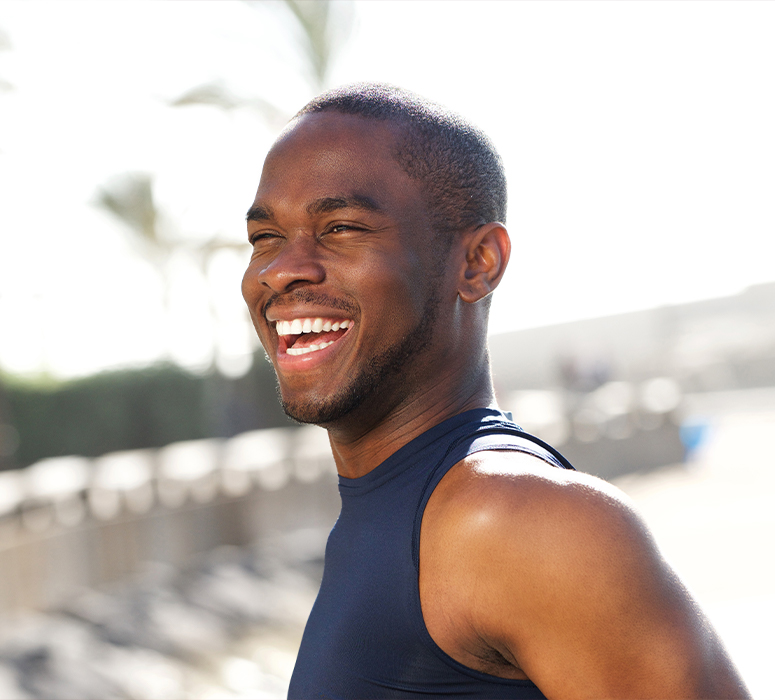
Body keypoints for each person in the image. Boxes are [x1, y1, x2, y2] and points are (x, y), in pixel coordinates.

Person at [241, 83, 748, 699]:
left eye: (341, 227)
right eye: (265, 238)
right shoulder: (394, 509)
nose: (280, 268)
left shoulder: (518, 523)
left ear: (478, 262)